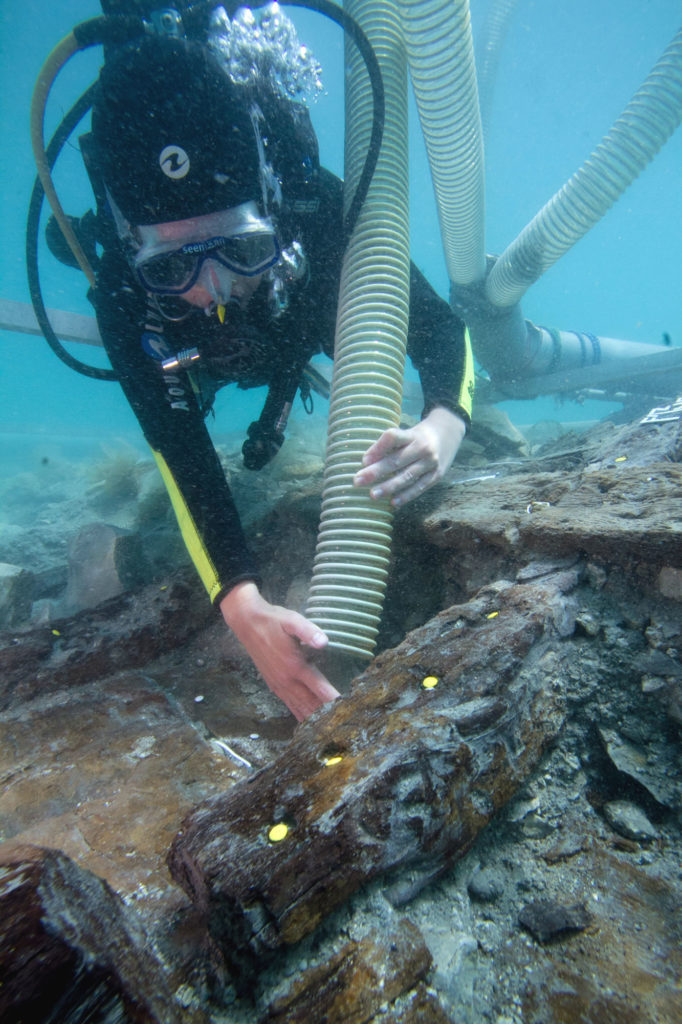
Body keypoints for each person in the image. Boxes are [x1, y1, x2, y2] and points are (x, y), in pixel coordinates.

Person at [81, 10, 473, 721]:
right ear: (137, 251)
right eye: (173, 265)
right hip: (190, 359)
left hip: (298, 329)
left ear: (272, 211)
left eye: (240, 249)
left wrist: (444, 421)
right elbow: (180, 451)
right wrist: (240, 598)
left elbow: (441, 328)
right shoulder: (123, 289)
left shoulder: (317, 213)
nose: (213, 291)